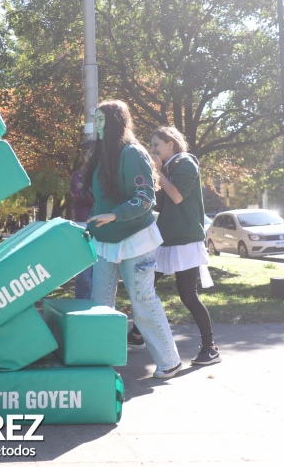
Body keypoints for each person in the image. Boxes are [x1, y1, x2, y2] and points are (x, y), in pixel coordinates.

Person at [85, 100, 182, 379]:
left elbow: (144, 199)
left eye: (102, 120)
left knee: (142, 302)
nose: (97, 125)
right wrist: (96, 221)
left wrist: (114, 216)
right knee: (100, 304)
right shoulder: (102, 155)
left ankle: (169, 361)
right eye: (96, 119)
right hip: (106, 240)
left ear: (116, 122)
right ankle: (99, 363)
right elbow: (100, 198)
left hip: (137, 240)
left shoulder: (132, 153)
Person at [128, 126, 220, 365]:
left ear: (171, 143)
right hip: (166, 239)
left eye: (157, 144)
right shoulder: (168, 167)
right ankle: (137, 335)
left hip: (185, 240)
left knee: (188, 296)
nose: (153, 149)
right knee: (146, 287)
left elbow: (178, 196)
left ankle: (210, 348)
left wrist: (158, 174)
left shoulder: (186, 162)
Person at [70, 139, 95, 299]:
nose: (90, 156)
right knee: (84, 270)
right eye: (87, 153)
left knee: (102, 269)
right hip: (83, 225)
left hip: (103, 225)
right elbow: (79, 196)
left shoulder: (105, 175)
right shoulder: (77, 176)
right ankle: (83, 303)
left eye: (94, 153)